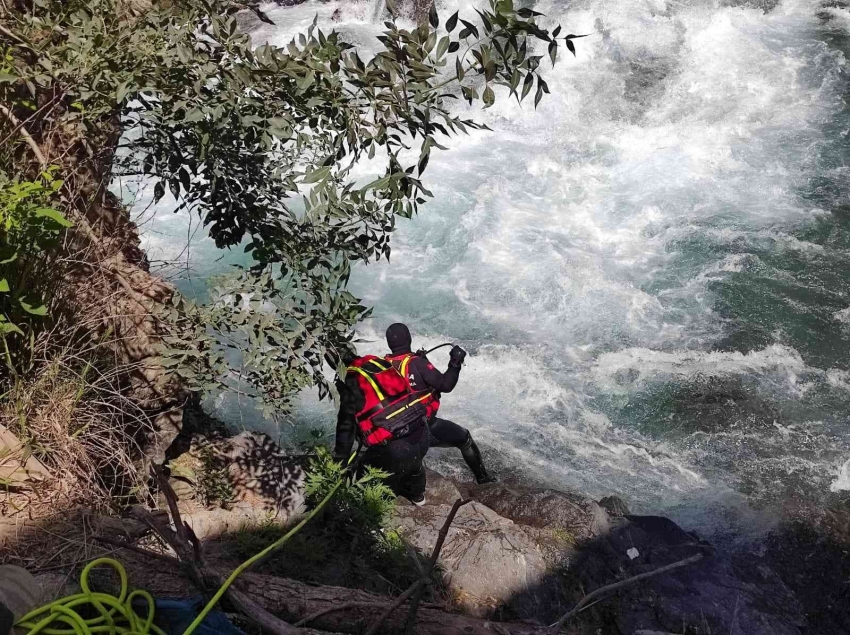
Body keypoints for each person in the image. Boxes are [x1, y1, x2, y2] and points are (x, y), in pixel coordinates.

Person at [383, 323, 497, 485]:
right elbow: (445, 385)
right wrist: (455, 362)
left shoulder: (382, 366)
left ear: (389, 343)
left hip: (394, 430)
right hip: (423, 428)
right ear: (409, 339)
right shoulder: (416, 363)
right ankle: (483, 479)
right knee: (465, 439)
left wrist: (424, 361)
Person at [334, 346, 431, 505]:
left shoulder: (349, 380)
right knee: (414, 465)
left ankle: (369, 517)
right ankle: (418, 495)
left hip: (397, 450)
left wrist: (340, 464)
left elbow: (346, 428)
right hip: (423, 435)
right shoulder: (380, 363)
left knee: (361, 480)